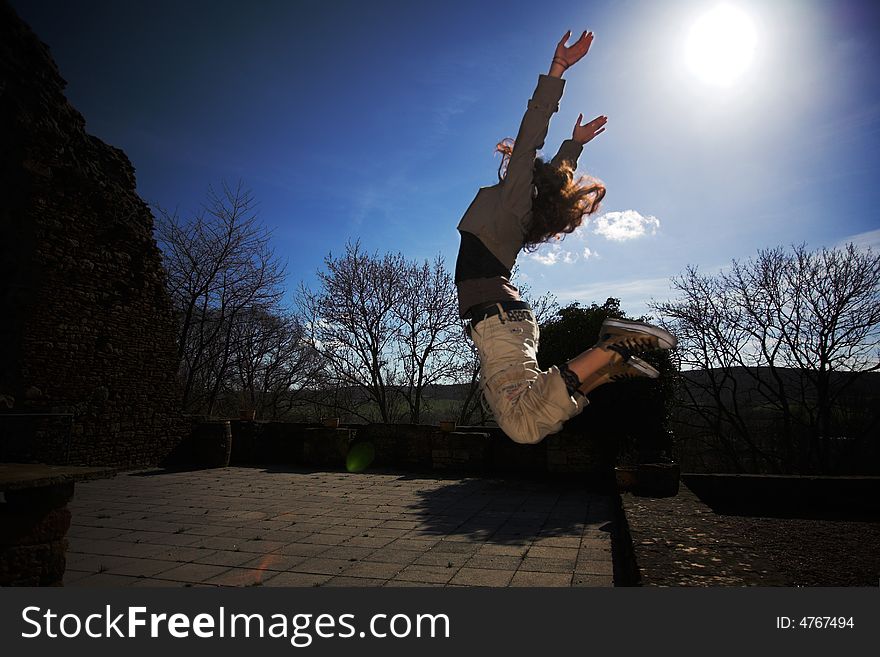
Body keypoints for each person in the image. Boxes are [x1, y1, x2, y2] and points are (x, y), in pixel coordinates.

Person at [455, 29, 677, 445]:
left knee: (527, 423)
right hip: (501, 320)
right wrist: (570, 143)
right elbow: (532, 154)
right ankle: (609, 361)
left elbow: (531, 150)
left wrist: (562, 89)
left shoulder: (516, 207)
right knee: (526, 423)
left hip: (501, 320)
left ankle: (608, 358)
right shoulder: (520, 209)